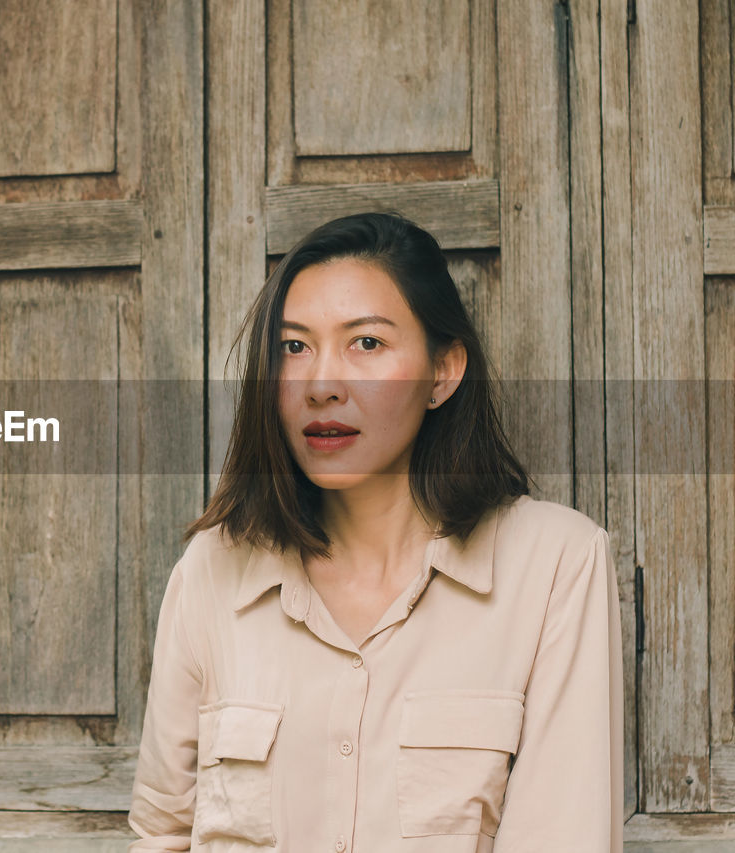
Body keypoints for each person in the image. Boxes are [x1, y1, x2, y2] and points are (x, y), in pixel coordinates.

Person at [127, 212, 624, 851]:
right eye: (294, 347)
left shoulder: (557, 565)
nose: (321, 385)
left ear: (443, 372)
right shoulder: (212, 570)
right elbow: (160, 835)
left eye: (366, 343)